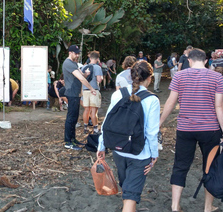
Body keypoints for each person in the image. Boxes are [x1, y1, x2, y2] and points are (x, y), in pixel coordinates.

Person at [159, 48, 223, 212]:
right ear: (206, 61)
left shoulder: (179, 76)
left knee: (180, 166)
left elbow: (171, 101)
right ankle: (207, 207)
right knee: (210, 166)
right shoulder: (216, 77)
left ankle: (175, 206)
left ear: (189, 60)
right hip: (210, 129)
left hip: (185, 129)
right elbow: (219, 106)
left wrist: (160, 122)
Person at [97, 60, 160, 212]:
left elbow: (107, 122)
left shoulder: (118, 94)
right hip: (140, 153)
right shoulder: (152, 100)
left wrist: (102, 145)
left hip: (119, 150)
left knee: (127, 189)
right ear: (149, 78)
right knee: (131, 195)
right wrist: (154, 155)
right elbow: (151, 133)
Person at [62, 45, 97, 151]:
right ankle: (68, 141)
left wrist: (86, 74)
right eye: (76, 53)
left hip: (76, 93)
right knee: (71, 118)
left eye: (78, 53)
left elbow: (81, 76)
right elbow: (81, 78)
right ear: (70, 52)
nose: (77, 55)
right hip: (71, 93)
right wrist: (91, 88)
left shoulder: (74, 63)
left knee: (74, 117)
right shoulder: (68, 63)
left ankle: (73, 139)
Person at [81, 51, 103, 134]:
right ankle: (95, 128)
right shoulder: (97, 67)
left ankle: (85, 127)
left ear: (90, 58)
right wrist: (101, 78)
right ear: (97, 59)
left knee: (86, 110)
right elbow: (99, 80)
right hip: (94, 90)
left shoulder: (84, 67)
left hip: (85, 90)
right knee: (94, 111)